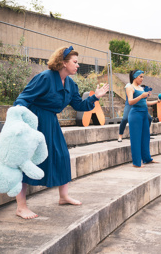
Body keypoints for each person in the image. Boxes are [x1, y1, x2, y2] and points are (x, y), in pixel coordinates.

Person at [13, 46, 109, 219]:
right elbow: (23, 98)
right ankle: (21, 206)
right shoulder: (45, 77)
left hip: (51, 122)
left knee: (62, 156)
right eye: (75, 62)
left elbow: (80, 105)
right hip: (35, 121)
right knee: (27, 160)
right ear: (63, 63)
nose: (78, 65)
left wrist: (96, 97)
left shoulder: (71, 84)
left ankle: (63, 197)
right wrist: (18, 120)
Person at [126, 70, 160, 167]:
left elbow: (145, 103)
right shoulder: (130, 87)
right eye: (140, 77)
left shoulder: (141, 88)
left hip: (144, 114)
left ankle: (147, 158)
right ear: (135, 77)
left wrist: (156, 101)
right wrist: (141, 96)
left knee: (146, 137)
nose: (142, 79)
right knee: (136, 139)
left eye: (143, 77)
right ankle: (136, 163)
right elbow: (130, 102)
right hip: (135, 115)